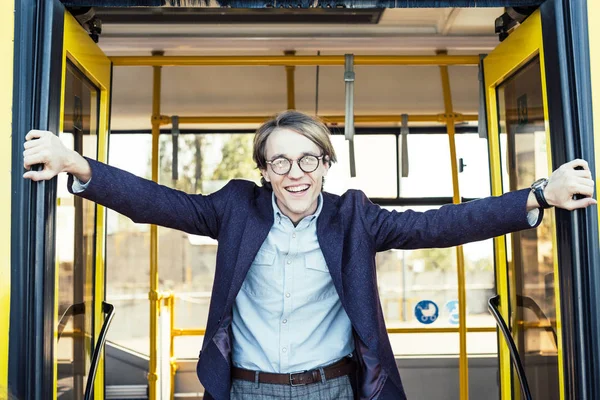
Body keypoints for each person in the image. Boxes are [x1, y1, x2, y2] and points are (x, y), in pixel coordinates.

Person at [23, 110, 596, 399]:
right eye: (280, 162)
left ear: (325, 164)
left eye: (307, 160)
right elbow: (159, 203)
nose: (294, 174)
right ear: (263, 170)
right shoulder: (235, 210)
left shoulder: (354, 217)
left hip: (332, 389)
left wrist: (538, 194)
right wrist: (79, 166)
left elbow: (441, 224)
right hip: (246, 388)